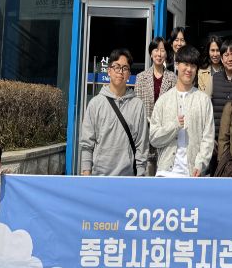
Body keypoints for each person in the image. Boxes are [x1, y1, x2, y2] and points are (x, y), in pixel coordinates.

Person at [80, 48, 148, 176]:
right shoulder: (95, 104)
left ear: (129, 74)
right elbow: (87, 144)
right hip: (99, 176)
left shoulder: (137, 105)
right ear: (109, 71)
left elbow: (141, 145)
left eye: (125, 68)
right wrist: (86, 172)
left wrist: (140, 175)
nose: (120, 72)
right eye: (116, 67)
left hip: (128, 177)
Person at [150, 45, 215, 177]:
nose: (189, 69)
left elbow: (208, 138)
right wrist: (174, 126)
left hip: (192, 173)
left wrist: (200, 164)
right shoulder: (163, 100)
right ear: (177, 65)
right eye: (185, 64)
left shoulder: (204, 100)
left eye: (193, 65)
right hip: (165, 173)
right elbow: (154, 138)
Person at [134, 36, 177, 176]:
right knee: (146, 173)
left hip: (165, 133)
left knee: (164, 173)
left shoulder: (173, 78)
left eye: (162, 50)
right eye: (156, 50)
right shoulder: (141, 77)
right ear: (151, 53)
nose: (159, 54)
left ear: (166, 54)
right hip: (145, 132)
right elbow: (137, 107)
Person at [210, 39, 232, 143]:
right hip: (217, 138)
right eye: (226, 55)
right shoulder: (214, 79)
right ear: (222, 59)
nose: (230, 59)